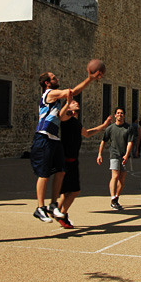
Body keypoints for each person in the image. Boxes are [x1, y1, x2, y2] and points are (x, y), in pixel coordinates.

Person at [31, 67, 105, 223]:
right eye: (53, 77)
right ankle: (40, 207)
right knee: (44, 174)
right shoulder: (49, 94)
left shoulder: (57, 103)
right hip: (43, 137)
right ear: (47, 83)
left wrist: (69, 102)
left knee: (61, 171)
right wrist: (90, 79)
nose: (56, 78)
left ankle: (52, 205)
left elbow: (62, 113)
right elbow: (73, 91)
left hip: (53, 138)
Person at [54, 97, 111, 228]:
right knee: (74, 191)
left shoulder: (76, 122)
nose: (76, 102)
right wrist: (68, 102)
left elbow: (87, 133)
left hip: (73, 160)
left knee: (67, 191)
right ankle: (61, 214)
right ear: (68, 107)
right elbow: (61, 114)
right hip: (66, 160)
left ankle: (58, 211)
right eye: (73, 103)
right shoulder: (65, 119)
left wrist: (103, 126)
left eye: (75, 101)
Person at [97, 107, 134, 210]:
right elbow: (104, 141)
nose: (120, 115)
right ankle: (113, 198)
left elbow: (130, 142)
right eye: (118, 113)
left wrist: (127, 155)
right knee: (115, 176)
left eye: (121, 113)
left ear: (124, 115)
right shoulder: (110, 128)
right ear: (115, 115)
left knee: (122, 179)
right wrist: (99, 154)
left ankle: (116, 197)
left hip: (124, 156)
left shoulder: (128, 128)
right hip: (114, 155)